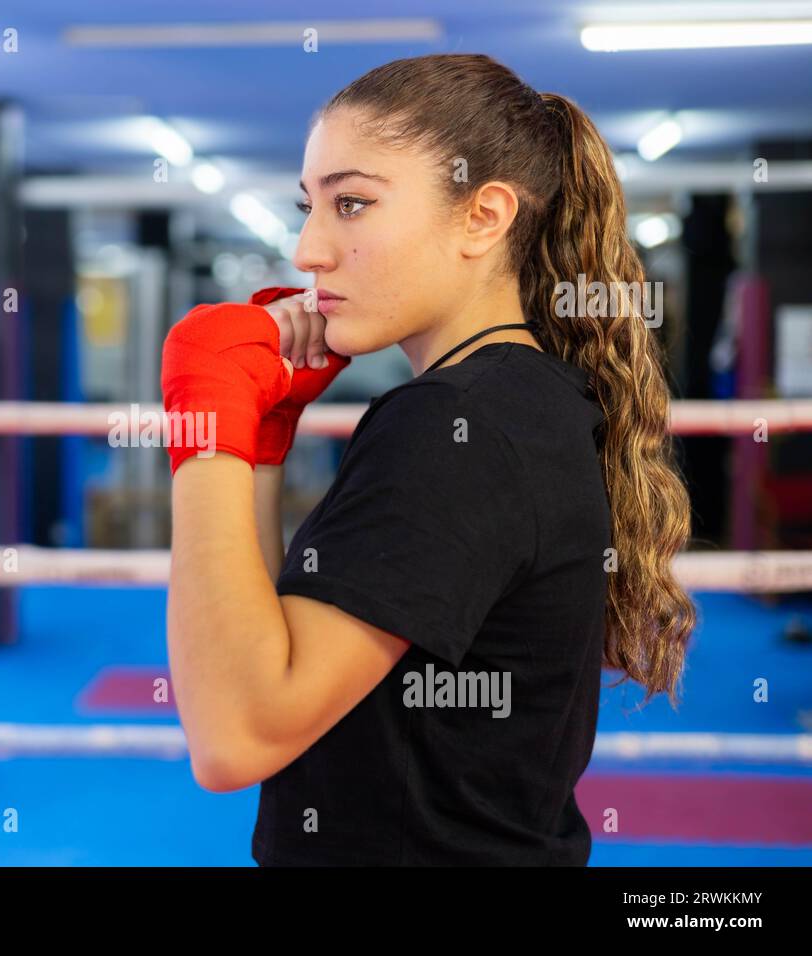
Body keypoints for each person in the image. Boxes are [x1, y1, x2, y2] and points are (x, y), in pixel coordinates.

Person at [160, 53, 696, 865]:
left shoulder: (453, 425)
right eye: (310, 207)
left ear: (483, 217)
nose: (308, 250)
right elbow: (267, 652)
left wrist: (205, 425)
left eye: (353, 204)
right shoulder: (525, 400)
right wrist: (262, 439)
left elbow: (235, 734)